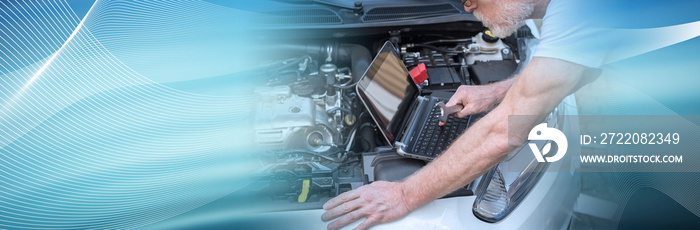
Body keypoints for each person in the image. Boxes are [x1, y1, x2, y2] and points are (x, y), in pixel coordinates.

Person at [321, 0, 602, 229]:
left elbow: (502, 135)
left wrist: (403, 195)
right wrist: (492, 93)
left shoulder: (575, 14)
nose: (467, 6)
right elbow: (582, 69)